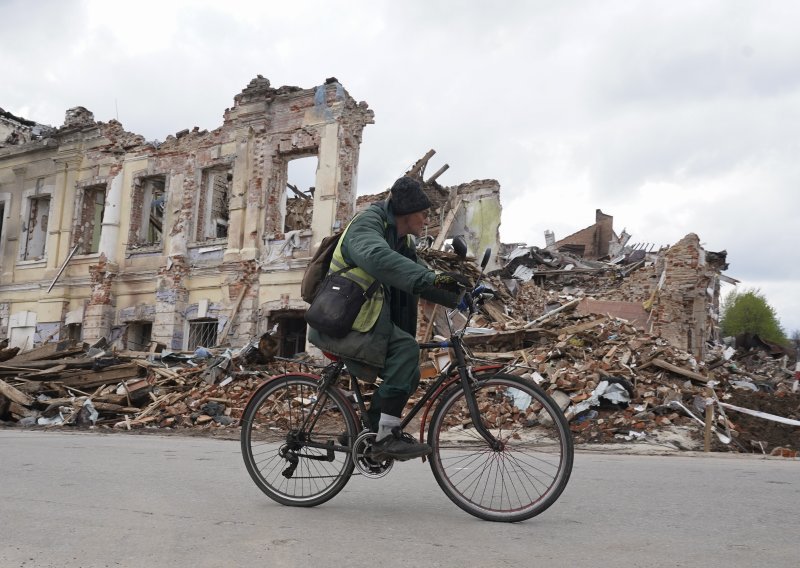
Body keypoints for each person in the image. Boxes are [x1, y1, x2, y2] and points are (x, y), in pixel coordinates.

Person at [307, 176, 470, 460]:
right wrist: (433, 277)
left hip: (361, 319)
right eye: (423, 213)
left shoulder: (400, 237)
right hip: (340, 321)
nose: (426, 219)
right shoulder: (366, 226)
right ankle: (383, 438)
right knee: (406, 350)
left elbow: (416, 272)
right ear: (406, 212)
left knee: (410, 371)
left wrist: (460, 295)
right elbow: (379, 258)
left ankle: (368, 432)